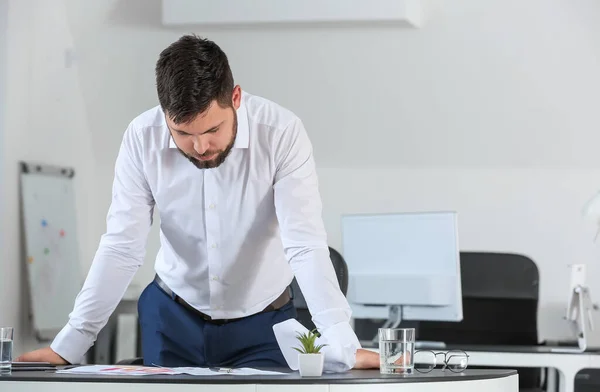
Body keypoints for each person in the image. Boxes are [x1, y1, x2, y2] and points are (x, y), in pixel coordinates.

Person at [16, 34, 379, 370]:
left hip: (265, 320)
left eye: (212, 130)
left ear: (235, 98)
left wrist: (343, 345)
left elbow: (304, 244)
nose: (201, 148)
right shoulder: (141, 139)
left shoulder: (282, 134)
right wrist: (69, 345)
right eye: (183, 134)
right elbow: (122, 248)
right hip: (173, 314)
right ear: (164, 114)